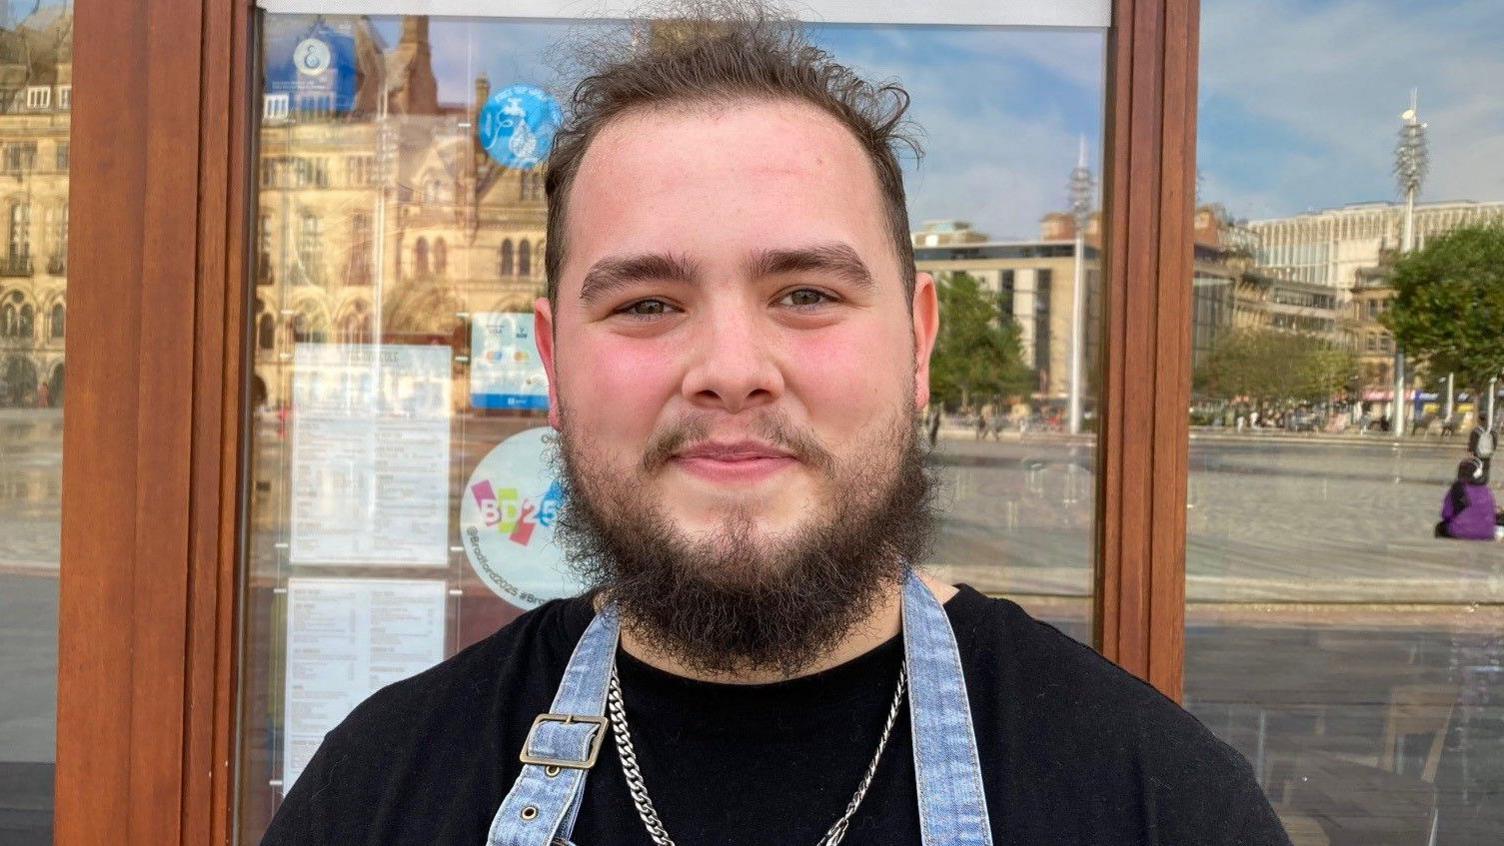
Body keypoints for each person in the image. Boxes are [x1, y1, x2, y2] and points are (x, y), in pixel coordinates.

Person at [262, 4, 1290, 844]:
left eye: (804, 293)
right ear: (552, 363)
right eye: (646, 305)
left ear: (918, 340)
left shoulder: (1157, 801)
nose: (731, 372)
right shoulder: (379, 791)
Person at [1435, 457, 1500, 540]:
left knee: (1440, 527)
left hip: (1461, 532)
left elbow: (1446, 514)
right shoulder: (1487, 490)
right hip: (1488, 533)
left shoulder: (1457, 488)